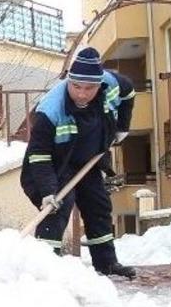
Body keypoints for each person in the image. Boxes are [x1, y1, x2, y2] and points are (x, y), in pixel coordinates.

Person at [20, 46, 137, 279]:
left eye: (89, 88)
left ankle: (106, 264)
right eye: (76, 86)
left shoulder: (112, 83)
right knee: (57, 208)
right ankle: (45, 270)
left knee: (98, 207)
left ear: (100, 83)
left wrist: (122, 126)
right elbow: (39, 156)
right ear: (69, 81)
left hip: (87, 162)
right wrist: (47, 191)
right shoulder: (50, 110)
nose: (82, 93)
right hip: (53, 165)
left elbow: (129, 93)